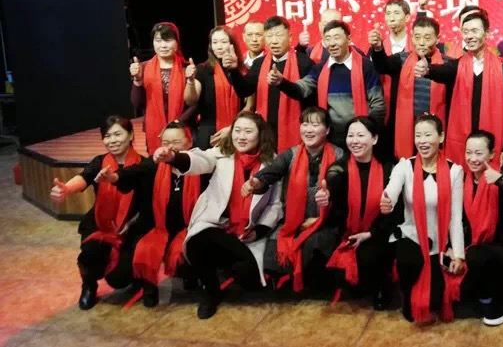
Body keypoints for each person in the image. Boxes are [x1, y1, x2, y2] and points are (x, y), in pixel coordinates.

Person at [167, 112, 281, 319]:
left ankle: (237, 266)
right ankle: (210, 292)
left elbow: (275, 205)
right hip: (216, 223)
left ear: (260, 135)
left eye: (248, 131)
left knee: (247, 277)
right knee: (197, 242)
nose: (241, 137)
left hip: (247, 230)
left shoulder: (273, 162)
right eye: (237, 131)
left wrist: (259, 231)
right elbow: (200, 159)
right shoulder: (222, 153)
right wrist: (175, 158)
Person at [94, 121, 208, 307]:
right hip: (156, 227)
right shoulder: (153, 165)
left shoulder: (201, 166)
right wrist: (114, 177)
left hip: (189, 228)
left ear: (189, 143)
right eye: (165, 142)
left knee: (190, 253)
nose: (170, 148)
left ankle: (190, 276)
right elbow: (133, 172)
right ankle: (148, 285)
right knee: (121, 273)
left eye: (176, 142)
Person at [49, 115, 149, 310]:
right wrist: (66, 189)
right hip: (100, 224)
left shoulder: (143, 165)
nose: (112, 140)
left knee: (118, 279)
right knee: (90, 254)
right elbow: (84, 178)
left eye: (118, 134)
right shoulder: (100, 162)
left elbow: (147, 205)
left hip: (131, 226)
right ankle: (89, 285)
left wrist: (131, 225)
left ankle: (136, 276)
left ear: (130, 135)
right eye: (107, 136)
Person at [242, 107, 345, 293]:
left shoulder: (340, 155)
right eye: (305, 124)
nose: (308, 130)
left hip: (327, 221)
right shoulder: (291, 154)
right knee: (272, 253)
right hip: (292, 222)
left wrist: (321, 218)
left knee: (315, 244)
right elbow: (272, 171)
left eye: (315, 125)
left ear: (328, 130)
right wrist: (256, 182)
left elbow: (341, 188)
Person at [380, 114, 465, 323]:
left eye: (428, 135)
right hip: (412, 234)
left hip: (439, 241)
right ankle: (407, 296)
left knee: (434, 300)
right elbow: (392, 188)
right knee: (409, 261)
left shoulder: (455, 171)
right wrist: (387, 199)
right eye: (418, 135)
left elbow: (455, 217)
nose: (422, 141)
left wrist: (458, 254)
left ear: (441, 137)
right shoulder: (404, 166)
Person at [415, 7, 503, 166]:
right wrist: (427, 70)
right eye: (466, 31)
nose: (469, 36)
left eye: (474, 31)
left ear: (487, 33)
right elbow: (442, 71)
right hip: (463, 141)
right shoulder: (457, 65)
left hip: (494, 140)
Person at [456, 130, 503, 326]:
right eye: (468, 153)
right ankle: (487, 296)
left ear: (491, 154)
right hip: (478, 248)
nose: (473, 159)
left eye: (479, 153)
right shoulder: (464, 179)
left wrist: (501, 180)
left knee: (477, 255)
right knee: (460, 303)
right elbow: (461, 221)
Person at [325, 117, 401, 310]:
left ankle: (383, 285)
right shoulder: (340, 168)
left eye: (360, 135)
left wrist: (371, 233)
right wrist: (326, 196)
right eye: (350, 136)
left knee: (371, 256)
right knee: (347, 282)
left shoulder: (390, 167)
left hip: (380, 231)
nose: (355, 141)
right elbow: (332, 183)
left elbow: (396, 210)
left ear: (374, 139)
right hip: (349, 233)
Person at [272, 21, 385, 147]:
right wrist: (281, 82)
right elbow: (301, 90)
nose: (332, 43)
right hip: (331, 139)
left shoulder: (366, 66)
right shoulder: (320, 69)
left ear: (348, 39)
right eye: (327, 39)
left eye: (337, 37)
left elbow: (378, 105)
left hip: (361, 138)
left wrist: (369, 132)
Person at [222, 16, 315, 151]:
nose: (274, 41)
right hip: (266, 133)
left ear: (290, 37)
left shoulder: (304, 62)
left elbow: (305, 94)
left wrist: (281, 82)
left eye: (279, 35)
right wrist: (234, 70)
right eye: (270, 36)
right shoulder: (259, 63)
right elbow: (244, 91)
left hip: (298, 131)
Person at [370, 15, 450, 159]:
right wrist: (377, 49)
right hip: (405, 129)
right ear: (412, 37)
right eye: (417, 37)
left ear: (437, 39)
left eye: (427, 38)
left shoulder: (448, 64)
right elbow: (383, 66)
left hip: (435, 129)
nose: (421, 43)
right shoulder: (401, 59)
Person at [130, 22, 195, 154]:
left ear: (177, 43)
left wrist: (177, 123)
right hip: (154, 130)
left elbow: (195, 104)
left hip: (183, 128)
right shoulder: (143, 68)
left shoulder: (187, 68)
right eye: (158, 40)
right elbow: (138, 104)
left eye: (168, 40)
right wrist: (137, 80)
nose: (163, 45)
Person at [184, 26, 251, 149]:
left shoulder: (244, 71)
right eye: (215, 42)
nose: (219, 47)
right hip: (209, 133)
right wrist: (190, 81)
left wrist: (232, 128)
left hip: (237, 130)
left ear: (232, 44)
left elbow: (249, 106)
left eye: (223, 42)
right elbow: (190, 100)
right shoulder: (202, 69)